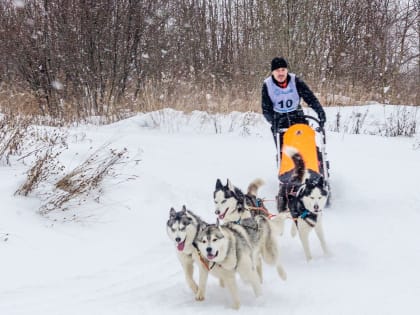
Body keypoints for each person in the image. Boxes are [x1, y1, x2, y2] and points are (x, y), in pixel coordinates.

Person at [261, 56, 326, 151]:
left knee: (308, 148)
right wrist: (273, 121)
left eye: (283, 70)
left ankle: (316, 162)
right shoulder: (267, 85)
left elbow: (310, 98)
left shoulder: (295, 81)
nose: (280, 73)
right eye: (277, 70)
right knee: (286, 152)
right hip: (279, 120)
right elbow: (266, 109)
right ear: (272, 72)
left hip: (297, 116)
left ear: (287, 70)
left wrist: (320, 112)